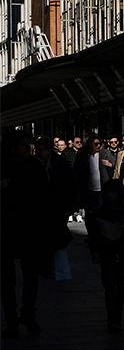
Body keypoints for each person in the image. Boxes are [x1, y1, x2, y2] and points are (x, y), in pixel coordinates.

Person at [1, 130, 52, 337]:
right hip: (6, 228)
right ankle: (11, 318)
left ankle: (28, 313)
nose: (27, 148)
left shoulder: (36, 167)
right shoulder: (3, 167)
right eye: (23, 144)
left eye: (28, 144)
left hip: (30, 228)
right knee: (6, 278)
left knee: (31, 275)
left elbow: (46, 198)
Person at [86, 180, 124, 334]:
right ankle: (113, 318)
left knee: (120, 287)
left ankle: (116, 318)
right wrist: (94, 251)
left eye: (113, 192)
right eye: (107, 192)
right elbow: (93, 236)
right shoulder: (97, 214)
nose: (109, 196)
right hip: (106, 253)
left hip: (121, 253)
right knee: (110, 287)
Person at [72, 134, 105, 218]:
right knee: (90, 213)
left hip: (101, 188)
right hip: (88, 189)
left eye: (99, 144)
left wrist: (109, 165)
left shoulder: (104, 155)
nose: (98, 146)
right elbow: (77, 172)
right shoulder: (82, 156)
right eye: (96, 144)